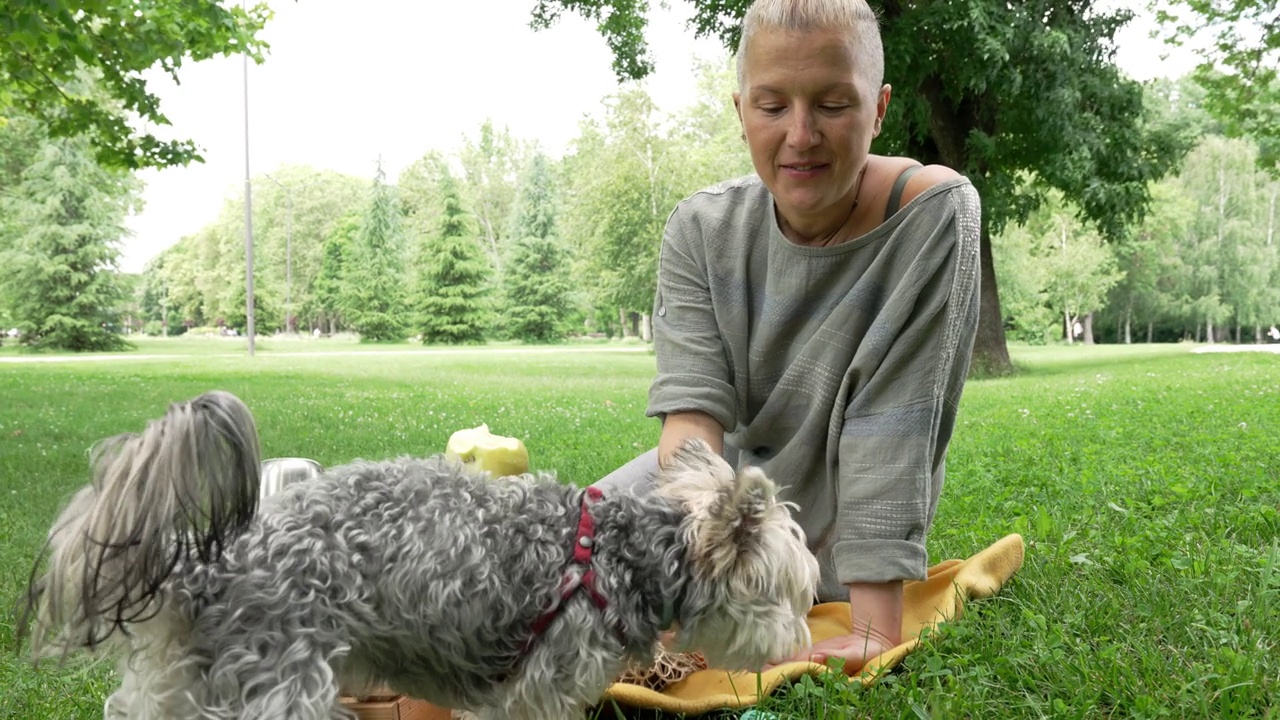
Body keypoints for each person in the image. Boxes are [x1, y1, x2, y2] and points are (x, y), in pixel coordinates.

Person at [594, 0, 982, 675]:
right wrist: (683, 582)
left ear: (880, 107)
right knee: (563, 554)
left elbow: (894, 422)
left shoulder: (935, 215)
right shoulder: (698, 229)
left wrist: (873, 626)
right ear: (740, 109)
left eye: (833, 104)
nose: (801, 136)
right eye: (773, 107)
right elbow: (692, 435)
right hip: (725, 508)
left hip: (830, 544)